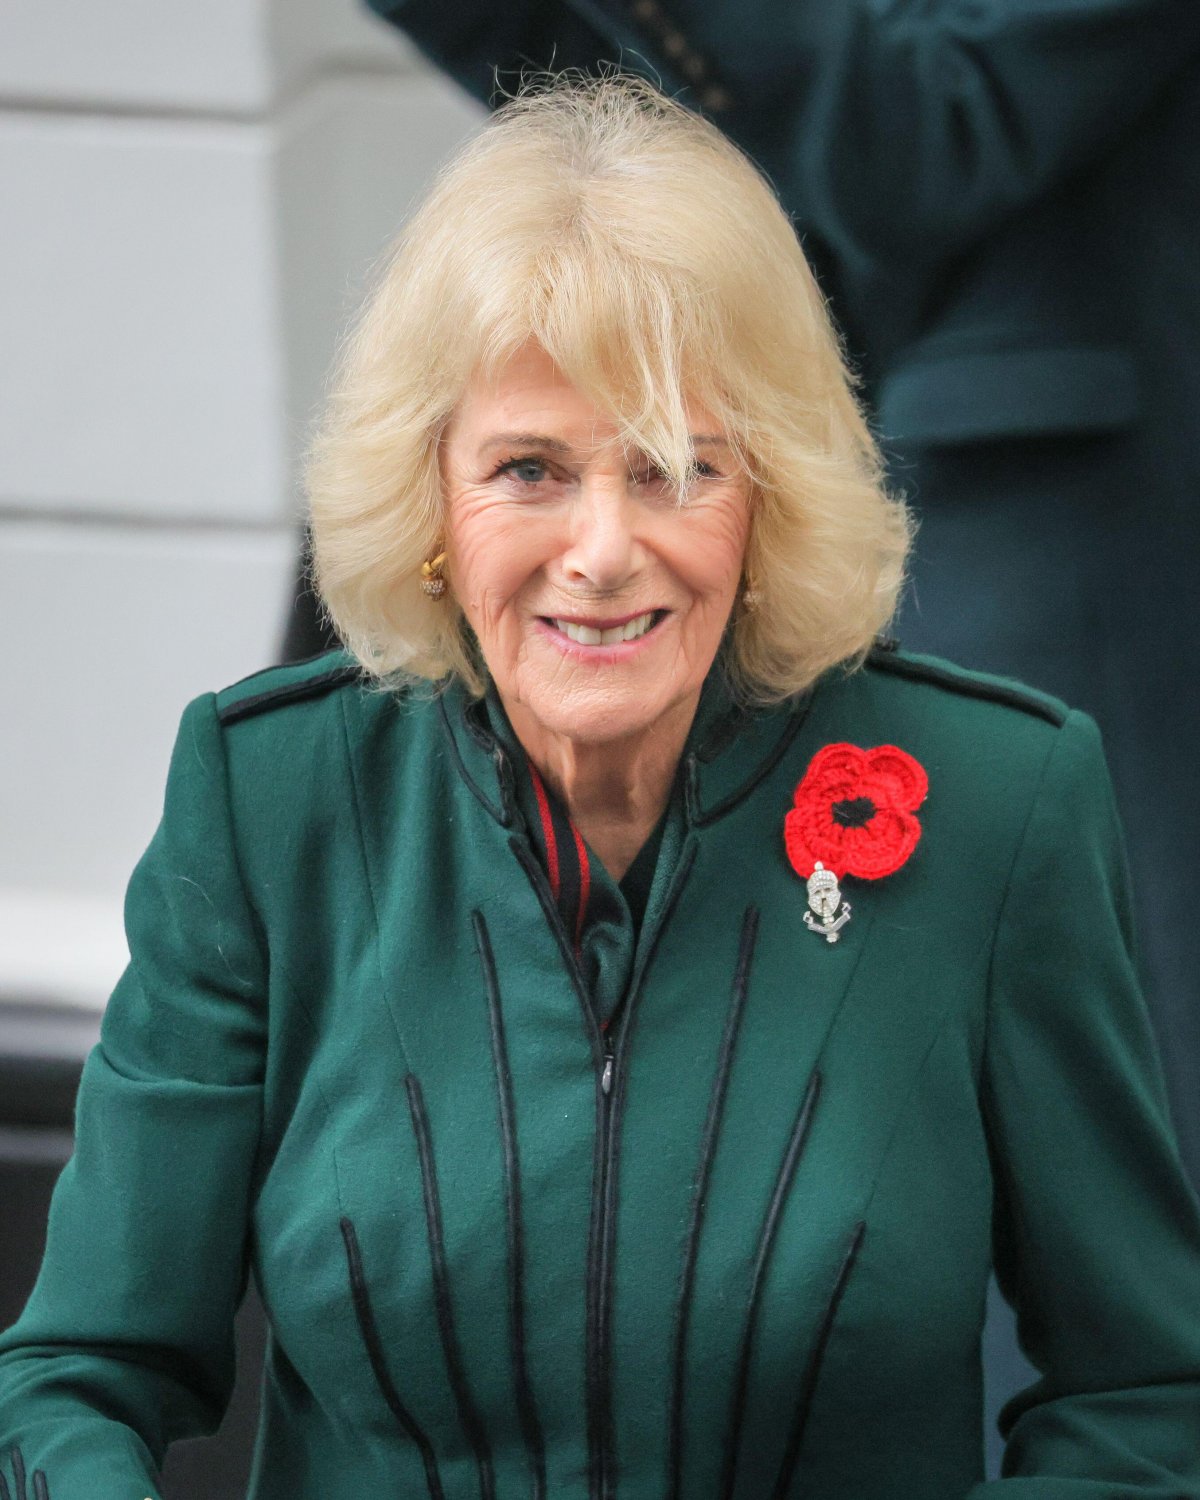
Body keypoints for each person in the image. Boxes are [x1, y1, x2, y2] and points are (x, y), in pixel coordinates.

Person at [3, 77, 1199, 1500]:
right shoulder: (271, 805)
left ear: (771, 497)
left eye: (676, 468)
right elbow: (75, 1380)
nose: (602, 548)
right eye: (529, 469)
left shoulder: (1001, 806)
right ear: (432, 500)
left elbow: (1144, 1391)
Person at [350, 0, 1200, 1186]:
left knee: (1074, 1088)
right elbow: (632, 98)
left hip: (1038, 505)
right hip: (723, 456)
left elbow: (921, 137)